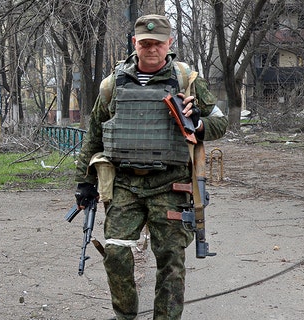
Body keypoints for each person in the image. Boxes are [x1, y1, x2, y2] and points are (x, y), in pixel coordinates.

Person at [74, 14, 228, 320]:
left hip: (171, 185)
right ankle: (125, 314)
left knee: (171, 261)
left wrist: (197, 122)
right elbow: (93, 134)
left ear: (169, 43)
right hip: (125, 185)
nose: (152, 49)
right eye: (145, 43)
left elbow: (220, 122)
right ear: (135, 43)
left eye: (158, 43)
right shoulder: (112, 84)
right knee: (116, 253)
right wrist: (84, 182)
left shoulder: (187, 80)